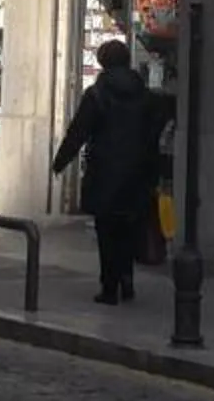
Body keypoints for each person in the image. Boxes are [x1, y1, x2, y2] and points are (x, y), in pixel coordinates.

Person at [52, 39, 156, 305]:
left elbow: (79, 131)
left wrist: (61, 161)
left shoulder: (97, 94)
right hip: (135, 172)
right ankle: (127, 279)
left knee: (107, 231)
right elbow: (152, 132)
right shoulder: (143, 94)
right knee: (128, 228)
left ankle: (109, 287)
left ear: (103, 62)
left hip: (105, 171)